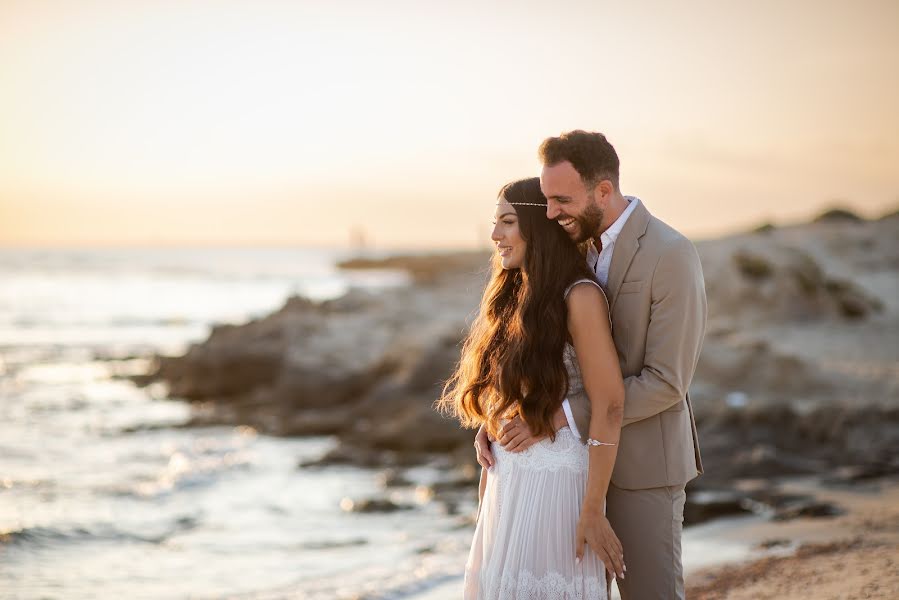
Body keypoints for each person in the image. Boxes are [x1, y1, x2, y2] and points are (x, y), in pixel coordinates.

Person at [475, 131, 707, 599]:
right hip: (569, 471)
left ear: (603, 190)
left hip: (642, 466)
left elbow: (667, 382)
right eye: (546, 200)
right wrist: (503, 418)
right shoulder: (572, 245)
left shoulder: (670, 254)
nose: (553, 212)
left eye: (562, 199)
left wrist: (556, 417)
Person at [439, 177, 626, 599]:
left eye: (507, 222)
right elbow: (522, 385)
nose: (494, 235)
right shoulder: (515, 295)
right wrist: (490, 424)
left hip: (557, 485)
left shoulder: (579, 296)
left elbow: (610, 403)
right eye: (495, 223)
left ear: (536, 226)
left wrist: (593, 510)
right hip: (510, 481)